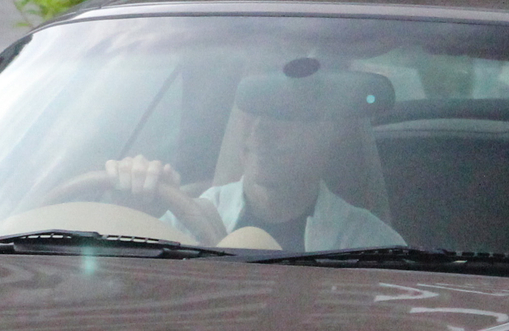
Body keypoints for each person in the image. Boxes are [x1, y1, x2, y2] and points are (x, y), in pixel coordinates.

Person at [97, 67, 402, 251]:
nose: (261, 129)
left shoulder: (369, 244)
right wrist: (131, 215)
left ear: (326, 135)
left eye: (284, 114)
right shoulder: (185, 219)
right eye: (252, 112)